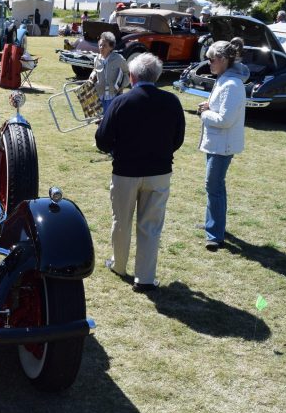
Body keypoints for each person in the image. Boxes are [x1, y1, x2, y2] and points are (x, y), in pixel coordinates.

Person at [95, 53, 185, 292]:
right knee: (151, 226)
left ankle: (119, 266)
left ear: (132, 77)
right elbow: (178, 139)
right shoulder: (172, 102)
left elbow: (102, 141)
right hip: (159, 172)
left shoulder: (120, 102)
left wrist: (117, 149)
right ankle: (145, 278)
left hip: (126, 171)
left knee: (121, 221)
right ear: (156, 76)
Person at [197, 37, 248, 251]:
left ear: (222, 60)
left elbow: (225, 120)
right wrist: (210, 105)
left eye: (210, 60)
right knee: (216, 186)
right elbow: (222, 109)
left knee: (213, 186)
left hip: (222, 145)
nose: (208, 63)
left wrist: (205, 113)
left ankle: (215, 235)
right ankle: (214, 224)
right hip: (217, 144)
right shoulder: (224, 79)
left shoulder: (232, 84)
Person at [89, 31, 129, 114]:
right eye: (100, 45)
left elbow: (126, 73)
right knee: (99, 120)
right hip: (99, 95)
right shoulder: (97, 58)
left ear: (111, 47)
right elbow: (95, 69)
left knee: (111, 119)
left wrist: (122, 86)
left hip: (113, 96)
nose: (101, 48)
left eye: (104, 46)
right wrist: (93, 74)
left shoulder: (119, 59)